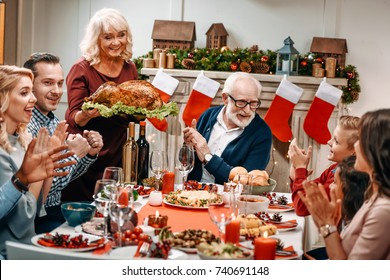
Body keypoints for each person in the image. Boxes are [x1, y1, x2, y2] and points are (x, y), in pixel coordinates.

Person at [62, 8, 138, 202]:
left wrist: (142, 111)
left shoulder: (129, 67)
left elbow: (130, 111)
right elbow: (73, 116)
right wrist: (88, 114)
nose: (116, 42)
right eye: (108, 37)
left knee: (110, 205)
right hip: (86, 151)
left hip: (115, 150)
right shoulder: (81, 69)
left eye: (121, 35)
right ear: (97, 39)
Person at [0, 65, 75, 258]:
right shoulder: (2, 152)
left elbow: (36, 206)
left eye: (31, 92)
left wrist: (48, 161)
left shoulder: (22, 139)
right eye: (24, 93)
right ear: (3, 99)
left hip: (27, 245)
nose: (33, 99)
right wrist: (32, 174)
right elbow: (22, 218)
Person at [23, 52, 104, 233]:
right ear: (30, 86)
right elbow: (47, 189)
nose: (57, 91)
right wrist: (74, 153)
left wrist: (88, 153)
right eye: (48, 83)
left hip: (56, 208)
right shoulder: (28, 126)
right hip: (39, 217)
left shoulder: (52, 120)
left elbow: (64, 176)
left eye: (60, 83)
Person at [299, 108, 390, 259]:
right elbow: (348, 248)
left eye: (360, 141)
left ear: (375, 152)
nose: (355, 147)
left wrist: (326, 226)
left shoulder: (383, 211)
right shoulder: (374, 193)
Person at [183, 72, 272, 184]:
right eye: (241, 102)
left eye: (253, 103)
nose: (248, 110)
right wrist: (188, 148)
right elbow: (184, 163)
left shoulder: (262, 133)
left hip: (230, 198)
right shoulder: (207, 116)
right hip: (194, 193)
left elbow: (246, 183)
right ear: (225, 98)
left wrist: (208, 157)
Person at [288, 115, 360, 216]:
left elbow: (302, 207)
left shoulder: (345, 178)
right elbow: (305, 195)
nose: (329, 142)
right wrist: (296, 176)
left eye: (336, 141)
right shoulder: (334, 168)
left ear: (354, 150)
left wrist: (300, 168)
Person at [332, 155, 370, 229]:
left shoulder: (358, 225)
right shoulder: (344, 215)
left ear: (347, 189)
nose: (330, 186)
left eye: (335, 182)